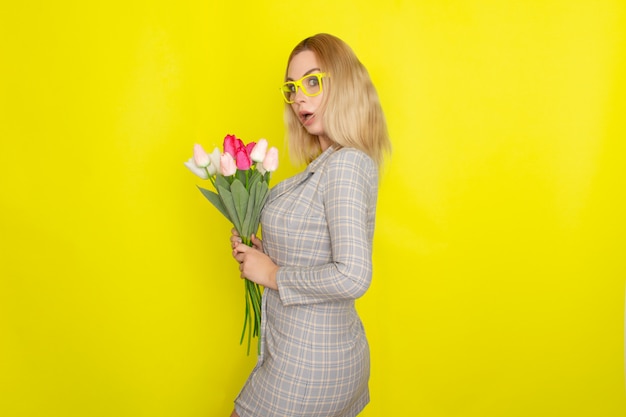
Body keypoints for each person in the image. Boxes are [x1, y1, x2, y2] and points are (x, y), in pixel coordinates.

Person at [229, 33, 391, 417]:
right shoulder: (327, 165)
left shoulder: (347, 165)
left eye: (312, 81)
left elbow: (353, 276)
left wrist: (272, 274)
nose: (299, 96)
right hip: (307, 355)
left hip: (307, 366)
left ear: (345, 84)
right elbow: (315, 252)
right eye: (292, 88)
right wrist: (261, 251)